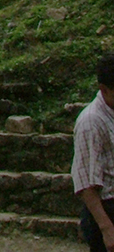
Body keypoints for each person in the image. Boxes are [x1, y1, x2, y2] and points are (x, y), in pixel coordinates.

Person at [73, 54, 114, 252]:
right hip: (107, 212)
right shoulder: (90, 123)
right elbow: (85, 184)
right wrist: (107, 228)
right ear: (104, 89)